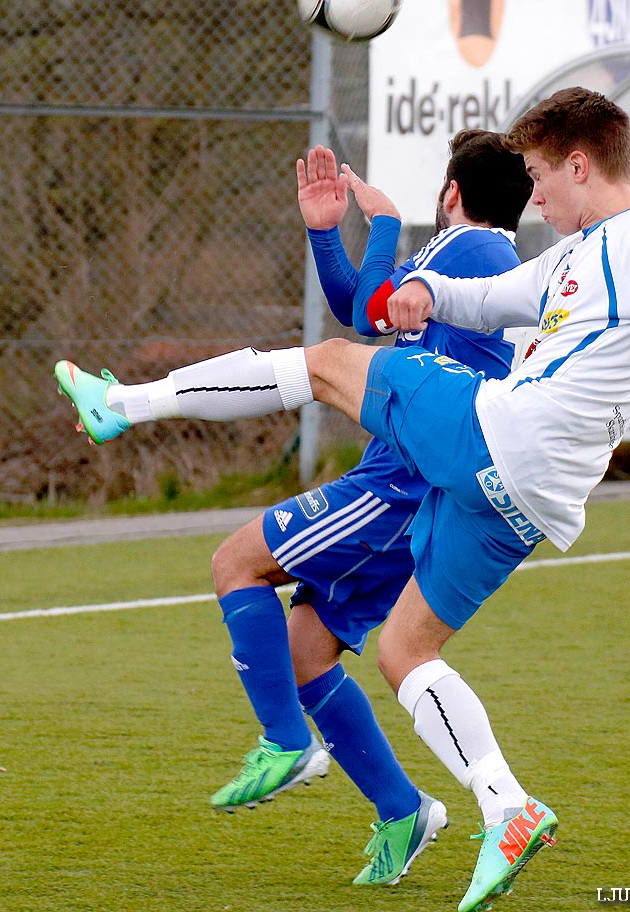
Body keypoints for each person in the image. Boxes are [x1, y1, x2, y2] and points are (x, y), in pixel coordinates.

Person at [54, 87, 630, 912]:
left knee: (325, 364)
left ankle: (122, 405)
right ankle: (506, 806)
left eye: (537, 176)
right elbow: (490, 301)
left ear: (578, 162)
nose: (534, 195)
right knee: (404, 652)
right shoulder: (569, 258)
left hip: (501, 436)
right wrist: (429, 297)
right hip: (527, 499)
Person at [207, 131, 532, 887]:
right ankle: (401, 809)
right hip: (416, 477)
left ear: (452, 190)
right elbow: (363, 307)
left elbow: (365, 309)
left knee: (235, 562)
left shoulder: (473, 248)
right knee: (306, 650)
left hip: (398, 484)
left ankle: (287, 743)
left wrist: (380, 225)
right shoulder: (482, 259)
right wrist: (327, 230)